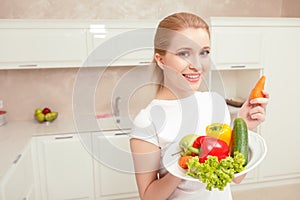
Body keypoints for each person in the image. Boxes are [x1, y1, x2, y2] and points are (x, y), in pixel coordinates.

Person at [129, 12, 269, 200]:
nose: (197, 64)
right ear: (161, 60)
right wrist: (182, 166)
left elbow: (236, 177)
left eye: (204, 52)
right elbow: (148, 196)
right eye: (184, 53)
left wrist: (242, 128)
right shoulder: (147, 121)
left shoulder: (215, 102)